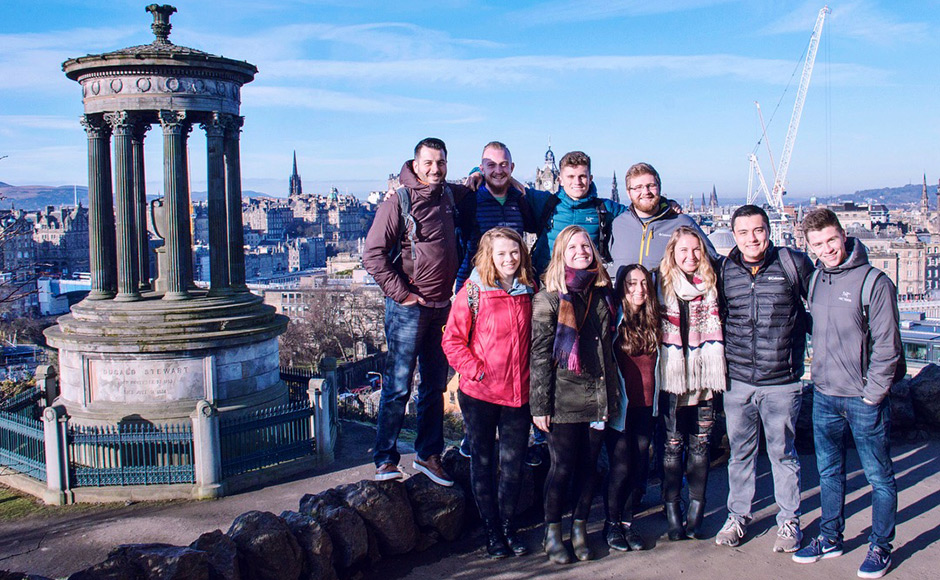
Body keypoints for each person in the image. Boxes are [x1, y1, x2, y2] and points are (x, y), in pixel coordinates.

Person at [792, 209, 901, 580]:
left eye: (831, 241)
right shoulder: (817, 279)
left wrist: (872, 395)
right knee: (829, 473)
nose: (827, 250)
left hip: (862, 398)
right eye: (817, 245)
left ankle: (880, 546)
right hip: (824, 394)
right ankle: (829, 537)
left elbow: (888, 347)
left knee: (878, 476)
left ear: (843, 235)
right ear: (809, 246)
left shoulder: (875, 282)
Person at [362, 137, 469, 486]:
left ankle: (427, 454)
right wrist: (403, 295)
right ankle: (385, 459)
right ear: (415, 163)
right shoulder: (398, 201)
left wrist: (494, 177)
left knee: (435, 386)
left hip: (442, 308)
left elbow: (479, 185)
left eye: (440, 162)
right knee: (397, 386)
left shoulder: (450, 196)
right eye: (428, 163)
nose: (435, 169)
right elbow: (372, 255)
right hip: (410, 309)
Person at [715, 205, 814, 553]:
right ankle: (738, 516)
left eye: (757, 230)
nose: (751, 238)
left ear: (768, 230)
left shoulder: (793, 263)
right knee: (739, 454)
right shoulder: (725, 269)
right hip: (739, 379)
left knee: (782, 454)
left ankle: (789, 519)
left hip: (782, 380)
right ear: (734, 235)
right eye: (743, 232)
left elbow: (819, 307)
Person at [442, 228, 536, 559]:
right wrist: (478, 371)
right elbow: (452, 340)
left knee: (512, 465)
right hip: (480, 393)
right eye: (501, 253)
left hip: (519, 394)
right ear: (488, 256)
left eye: (514, 252)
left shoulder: (529, 290)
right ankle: (492, 532)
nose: (509, 259)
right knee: (483, 462)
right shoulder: (473, 291)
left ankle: (509, 528)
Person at [530, 225, 619, 564]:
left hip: (598, 395)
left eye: (586, 246)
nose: (582, 251)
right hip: (563, 398)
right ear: (560, 256)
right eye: (573, 248)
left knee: (590, 468)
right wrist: (539, 405)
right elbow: (539, 355)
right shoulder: (548, 298)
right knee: (562, 467)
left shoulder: (603, 292)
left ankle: (579, 528)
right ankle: (552, 533)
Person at [657, 226, 725, 541]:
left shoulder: (713, 285)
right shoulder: (659, 285)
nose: (691, 256)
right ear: (672, 253)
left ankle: (697, 507)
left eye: (696, 250)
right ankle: (672, 509)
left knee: (700, 445)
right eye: (683, 250)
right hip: (671, 380)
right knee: (672, 448)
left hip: (704, 379)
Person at [604, 263, 660, 552]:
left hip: (646, 406)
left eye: (643, 283)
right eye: (630, 283)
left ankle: (627, 523)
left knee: (640, 467)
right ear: (621, 287)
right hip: (621, 407)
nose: (638, 289)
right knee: (621, 466)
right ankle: (611, 525)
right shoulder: (615, 319)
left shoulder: (653, 319)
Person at [454, 142, 534, 293]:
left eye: (504, 165)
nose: (498, 170)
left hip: (516, 289)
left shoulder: (521, 199)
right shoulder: (469, 199)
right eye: (491, 165)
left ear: (512, 168)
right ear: (482, 168)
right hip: (477, 290)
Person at [609, 162, 718, 273]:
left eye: (651, 186)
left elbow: (713, 261)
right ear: (628, 193)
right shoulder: (617, 224)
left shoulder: (682, 223)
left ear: (659, 188)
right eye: (638, 187)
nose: (645, 192)